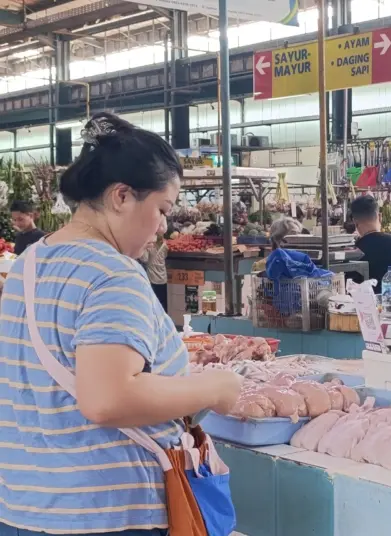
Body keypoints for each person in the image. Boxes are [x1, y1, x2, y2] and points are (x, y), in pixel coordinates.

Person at [0, 112, 243, 534]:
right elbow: (108, 398)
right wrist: (216, 388)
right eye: (162, 209)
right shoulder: (113, 272)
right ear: (121, 197)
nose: (164, 226)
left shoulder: (29, 262)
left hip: (24, 504)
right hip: (106, 511)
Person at [139, 217, 169, 311]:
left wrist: (142, 248)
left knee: (156, 302)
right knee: (163, 301)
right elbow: (165, 256)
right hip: (163, 277)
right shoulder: (165, 246)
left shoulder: (150, 246)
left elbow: (145, 259)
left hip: (153, 278)